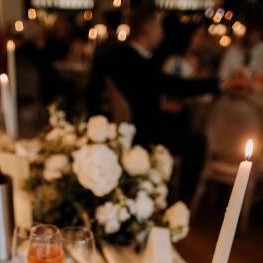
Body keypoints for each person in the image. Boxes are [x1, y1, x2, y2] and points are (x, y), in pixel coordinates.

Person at [85, 7, 242, 199]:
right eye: (159, 28)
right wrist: (222, 84)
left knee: (182, 123)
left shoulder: (116, 54)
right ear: (147, 31)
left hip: (129, 125)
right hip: (143, 131)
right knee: (197, 143)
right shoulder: (137, 62)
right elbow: (175, 85)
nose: (162, 34)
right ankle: (180, 199)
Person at [218, 18, 263, 82]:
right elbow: (221, 77)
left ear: (260, 34)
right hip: (234, 90)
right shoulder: (233, 51)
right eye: (248, 32)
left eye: (253, 32)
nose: (249, 36)